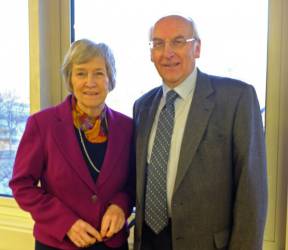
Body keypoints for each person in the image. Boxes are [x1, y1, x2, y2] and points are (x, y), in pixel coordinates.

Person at [133, 15, 267, 250]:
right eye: (158, 44)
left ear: (197, 48)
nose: (167, 53)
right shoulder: (142, 106)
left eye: (178, 41)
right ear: (150, 53)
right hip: (150, 242)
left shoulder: (236, 98)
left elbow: (252, 193)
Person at [9, 39, 134, 250]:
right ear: (70, 79)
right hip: (58, 243)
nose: (90, 82)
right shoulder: (43, 124)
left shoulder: (127, 127)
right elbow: (22, 186)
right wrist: (66, 223)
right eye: (81, 73)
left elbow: (134, 182)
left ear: (110, 80)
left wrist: (120, 206)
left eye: (99, 73)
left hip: (111, 244)